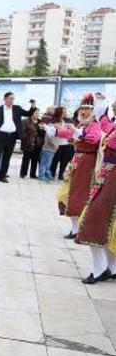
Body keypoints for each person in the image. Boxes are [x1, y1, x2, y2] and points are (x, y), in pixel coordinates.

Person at [57, 94, 107, 240]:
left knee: (79, 194)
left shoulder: (94, 126)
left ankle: (78, 229)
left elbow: (92, 139)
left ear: (94, 112)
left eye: (87, 110)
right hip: (78, 160)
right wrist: (54, 130)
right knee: (70, 193)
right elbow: (69, 134)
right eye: (82, 109)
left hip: (87, 162)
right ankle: (75, 229)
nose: (84, 112)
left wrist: (75, 131)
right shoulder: (82, 125)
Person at [76, 118, 116, 284]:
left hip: (112, 179)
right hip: (108, 175)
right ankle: (112, 268)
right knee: (108, 223)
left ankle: (100, 269)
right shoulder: (111, 126)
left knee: (95, 220)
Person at [0, 92, 36, 183]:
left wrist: (33, 106)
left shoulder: (17, 108)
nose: (11, 100)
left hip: (12, 136)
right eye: (10, 98)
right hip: (0, 136)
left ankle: (2, 176)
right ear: (4, 99)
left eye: (13, 98)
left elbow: (28, 113)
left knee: (7, 157)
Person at [19, 108, 45, 179]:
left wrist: (41, 129)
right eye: (36, 113)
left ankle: (32, 174)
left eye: (38, 113)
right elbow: (22, 132)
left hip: (38, 143)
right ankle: (23, 173)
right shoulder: (25, 121)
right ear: (32, 113)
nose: (37, 115)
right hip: (28, 143)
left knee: (35, 159)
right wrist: (27, 139)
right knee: (26, 159)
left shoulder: (40, 122)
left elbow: (43, 134)